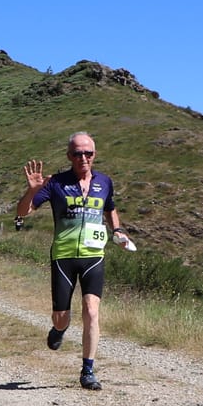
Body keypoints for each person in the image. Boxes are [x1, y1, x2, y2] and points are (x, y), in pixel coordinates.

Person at [17, 132, 132, 390]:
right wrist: (32, 191)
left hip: (93, 256)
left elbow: (109, 207)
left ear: (95, 155)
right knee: (61, 316)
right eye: (78, 153)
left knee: (92, 310)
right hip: (64, 256)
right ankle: (58, 330)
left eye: (88, 153)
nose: (83, 158)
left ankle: (88, 370)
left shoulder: (105, 182)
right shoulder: (55, 182)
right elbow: (22, 212)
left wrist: (118, 230)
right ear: (69, 156)